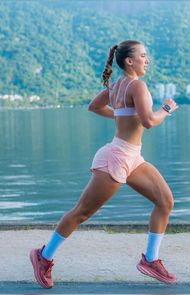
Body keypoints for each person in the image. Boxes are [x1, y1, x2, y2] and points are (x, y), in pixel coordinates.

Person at [30, 40, 179, 289]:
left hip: (133, 158)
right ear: (129, 61)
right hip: (116, 158)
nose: (147, 60)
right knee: (82, 212)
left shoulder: (118, 85)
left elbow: (94, 106)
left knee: (165, 201)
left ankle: (150, 260)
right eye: (143, 55)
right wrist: (166, 109)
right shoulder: (137, 86)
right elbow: (150, 121)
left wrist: (121, 114)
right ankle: (43, 256)